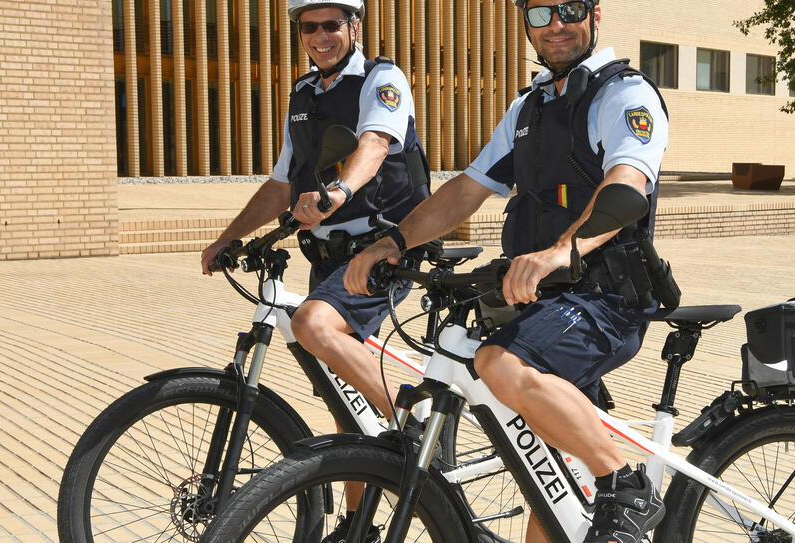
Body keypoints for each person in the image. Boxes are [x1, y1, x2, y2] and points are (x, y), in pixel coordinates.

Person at [345, 0, 669, 541]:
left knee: (499, 362)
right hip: (543, 302)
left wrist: (562, 251)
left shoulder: (623, 95)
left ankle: (626, 486)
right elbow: (467, 190)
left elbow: (626, 182)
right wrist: (394, 242)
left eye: (569, 9)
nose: (556, 26)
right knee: (550, 488)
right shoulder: (530, 107)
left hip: (605, 300)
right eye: (541, 14)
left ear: (594, 14)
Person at [199, 1, 429, 539]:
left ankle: (414, 416)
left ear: (354, 26)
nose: (320, 36)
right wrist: (232, 236)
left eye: (332, 25)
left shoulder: (381, 78)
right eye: (309, 27)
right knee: (341, 396)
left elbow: (374, 144)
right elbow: (282, 181)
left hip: (384, 245)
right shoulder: (303, 94)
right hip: (328, 255)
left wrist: (340, 191)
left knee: (313, 327)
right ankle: (359, 526)